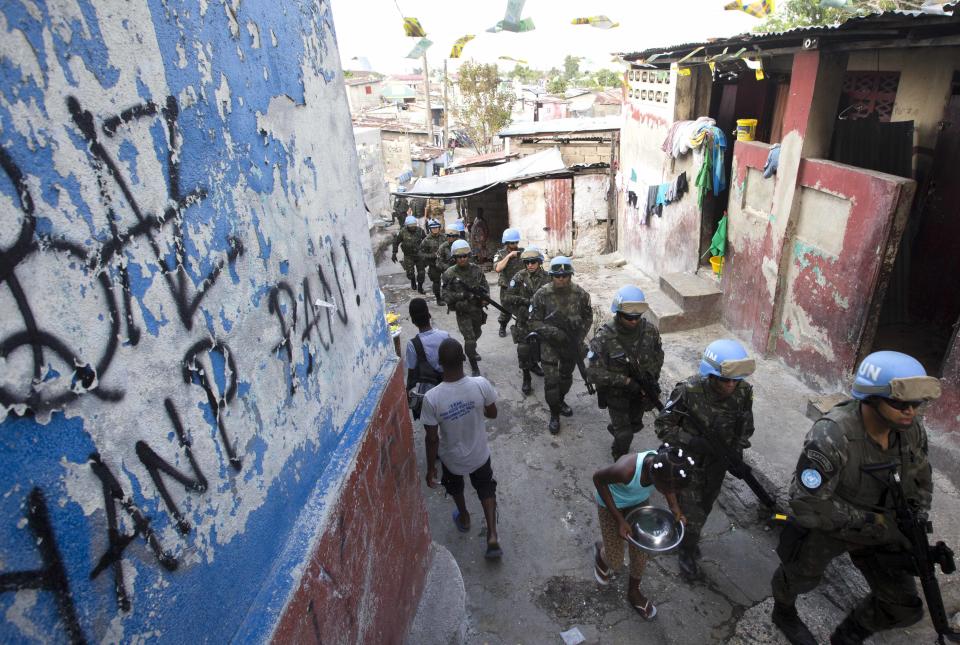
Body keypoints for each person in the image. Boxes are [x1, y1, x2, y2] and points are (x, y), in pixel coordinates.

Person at [769, 351, 940, 645]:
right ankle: (783, 611)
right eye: (900, 403)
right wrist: (871, 522)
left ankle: (848, 637)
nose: (910, 412)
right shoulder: (832, 434)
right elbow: (807, 503)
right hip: (833, 524)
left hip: (886, 527)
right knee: (798, 576)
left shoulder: (910, 432)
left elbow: (921, 477)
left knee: (903, 606)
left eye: (916, 404)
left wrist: (915, 520)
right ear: (871, 397)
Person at [654, 339, 755, 582]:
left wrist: (736, 453)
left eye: (735, 380)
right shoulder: (688, 391)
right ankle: (686, 550)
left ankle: (686, 535)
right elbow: (662, 425)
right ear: (710, 375)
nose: (731, 385)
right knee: (693, 511)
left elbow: (745, 426)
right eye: (724, 380)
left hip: (716, 464)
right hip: (688, 463)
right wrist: (692, 441)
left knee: (706, 504)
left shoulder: (744, 391)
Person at [421, 338, 503, 560]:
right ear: (464, 359)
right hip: (479, 454)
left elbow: (431, 438)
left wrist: (430, 469)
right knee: (486, 488)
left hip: (452, 460)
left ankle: (465, 518)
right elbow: (493, 413)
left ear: (440, 363)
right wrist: (476, 408)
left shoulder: (432, 398)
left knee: (455, 487)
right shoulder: (480, 384)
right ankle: (493, 535)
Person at [593, 444, 694, 619]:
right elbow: (597, 479)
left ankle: (633, 592)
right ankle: (602, 554)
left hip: (638, 503)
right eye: (668, 490)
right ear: (655, 478)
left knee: (642, 552)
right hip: (611, 505)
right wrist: (620, 520)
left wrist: (674, 507)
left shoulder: (665, 465)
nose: (670, 493)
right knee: (615, 562)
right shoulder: (626, 471)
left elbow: (669, 488)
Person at [588, 286, 665, 460]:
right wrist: (626, 382)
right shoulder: (604, 337)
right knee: (624, 436)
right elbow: (592, 373)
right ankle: (619, 457)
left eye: (637, 317)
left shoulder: (650, 332)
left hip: (640, 394)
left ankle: (618, 428)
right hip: (617, 395)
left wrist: (651, 379)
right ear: (618, 313)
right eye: (629, 317)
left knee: (635, 426)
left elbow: (658, 355)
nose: (633, 321)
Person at [527, 256, 593, 435]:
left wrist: (578, 335)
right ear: (551, 276)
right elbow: (533, 321)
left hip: (571, 344)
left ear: (570, 275)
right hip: (550, 344)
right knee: (551, 382)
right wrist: (553, 332)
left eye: (565, 275)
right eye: (557, 276)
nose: (561, 279)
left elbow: (588, 316)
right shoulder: (542, 294)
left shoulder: (580, 294)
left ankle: (560, 400)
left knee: (566, 377)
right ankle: (554, 414)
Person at [502, 247, 549, 395]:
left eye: (533, 262)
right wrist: (526, 301)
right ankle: (526, 377)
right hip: (524, 321)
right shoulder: (519, 277)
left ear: (539, 262)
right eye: (527, 262)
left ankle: (534, 365)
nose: (530, 265)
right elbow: (507, 297)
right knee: (523, 350)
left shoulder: (548, 277)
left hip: (542, 321)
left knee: (543, 349)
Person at [441, 240, 488, 378]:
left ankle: (470, 351)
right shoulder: (449, 273)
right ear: (454, 258)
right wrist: (463, 295)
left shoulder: (476, 269)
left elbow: (485, 286)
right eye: (459, 257)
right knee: (470, 339)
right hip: (463, 312)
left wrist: (485, 298)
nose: (463, 259)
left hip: (477, 310)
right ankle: (474, 365)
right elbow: (445, 296)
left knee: (477, 333)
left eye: (465, 256)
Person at [405, 297, 450, 393]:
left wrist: (408, 390)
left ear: (413, 321)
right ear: (429, 315)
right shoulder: (445, 335)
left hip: (429, 392)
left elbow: (411, 372)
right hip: (449, 386)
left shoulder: (412, 344)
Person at [492, 228, 525, 338]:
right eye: (512, 242)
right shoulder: (500, 254)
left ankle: (520, 327)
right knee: (506, 310)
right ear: (506, 242)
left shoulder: (522, 252)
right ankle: (502, 326)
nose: (515, 244)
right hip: (507, 287)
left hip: (520, 286)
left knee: (522, 308)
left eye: (516, 242)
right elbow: (497, 268)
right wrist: (509, 256)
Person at [392, 215, 426, 293]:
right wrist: (394, 253)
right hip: (408, 256)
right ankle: (413, 280)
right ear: (407, 225)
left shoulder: (420, 231)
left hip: (419, 255)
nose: (413, 227)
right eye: (411, 226)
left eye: (414, 225)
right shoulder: (402, 232)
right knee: (410, 274)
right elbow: (396, 242)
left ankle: (420, 287)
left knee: (421, 273)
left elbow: (426, 241)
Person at [419, 219, 446, 306]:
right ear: (430, 229)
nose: (435, 229)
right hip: (433, 265)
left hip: (445, 263)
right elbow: (421, 253)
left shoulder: (444, 237)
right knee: (436, 282)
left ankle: (448, 296)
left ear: (439, 227)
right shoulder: (426, 240)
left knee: (449, 280)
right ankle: (438, 299)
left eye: (436, 227)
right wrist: (432, 255)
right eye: (433, 228)